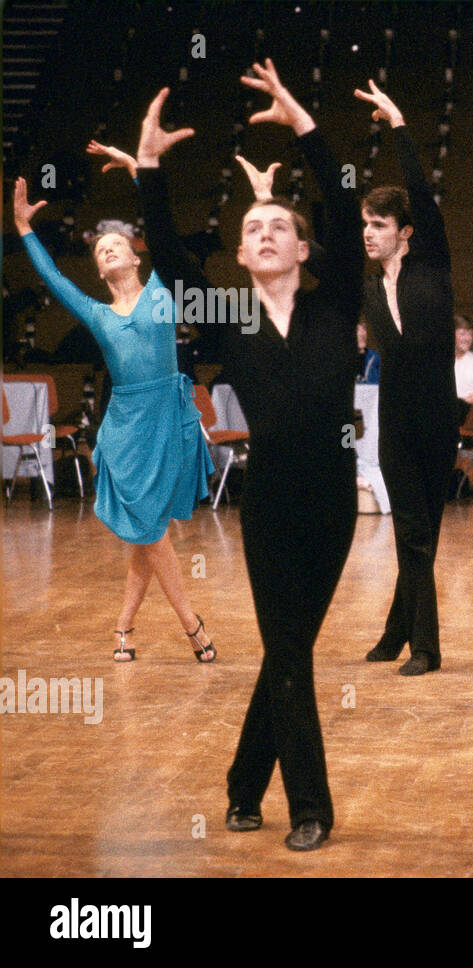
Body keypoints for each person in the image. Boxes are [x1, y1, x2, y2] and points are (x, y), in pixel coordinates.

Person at [138, 63, 363, 852]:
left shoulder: (338, 300)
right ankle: (310, 807)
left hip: (335, 497)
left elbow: (341, 196)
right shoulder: (227, 315)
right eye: (252, 230)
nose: (265, 234)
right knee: (292, 649)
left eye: (278, 227)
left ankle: (241, 785)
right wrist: (148, 167)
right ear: (238, 256)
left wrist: (305, 121)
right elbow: (166, 255)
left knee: (288, 647)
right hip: (268, 499)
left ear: (303, 247)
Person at [13, 145, 216, 666]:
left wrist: (136, 170)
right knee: (148, 530)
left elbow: (165, 230)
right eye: (99, 248)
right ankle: (190, 624)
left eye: (115, 244)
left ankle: (125, 626)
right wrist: (24, 229)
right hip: (124, 424)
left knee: (148, 533)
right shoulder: (97, 313)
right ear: (100, 268)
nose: (106, 250)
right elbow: (56, 280)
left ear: (134, 254)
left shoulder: (160, 291)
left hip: (168, 418)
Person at [352, 79, 459, 676]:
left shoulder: (433, 262)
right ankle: (424, 646)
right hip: (393, 417)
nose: (368, 232)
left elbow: (421, 190)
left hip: (439, 418)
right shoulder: (368, 282)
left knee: (424, 533)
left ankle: (399, 632)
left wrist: (398, 123)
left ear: (404, 230)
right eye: (364, 223)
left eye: (379, 223)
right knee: (412, 531)